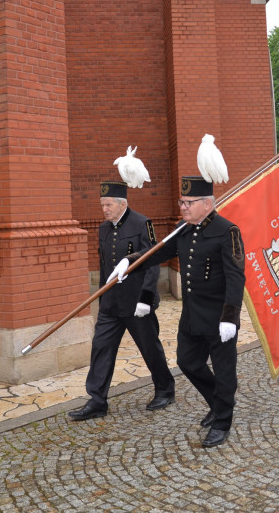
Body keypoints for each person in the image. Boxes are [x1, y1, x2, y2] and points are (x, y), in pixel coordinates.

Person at [112, 176, 245, 448]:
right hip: (192, 315)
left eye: (188, 202)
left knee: (224, 370)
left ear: (207, 204)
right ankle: (218, 402)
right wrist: (129, 261)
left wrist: (231, 315)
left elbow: (236, 276)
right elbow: (158, 253)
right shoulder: (183, 229)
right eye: (181, 202)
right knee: (188, 362)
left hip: (219, 318)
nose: (183, 207)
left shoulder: (226, 230)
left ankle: (222, 421)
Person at [68, 181, 176, 422]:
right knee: (101, 348)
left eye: (108, 204)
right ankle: (97, 400)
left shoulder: (142, 224)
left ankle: (165, 389)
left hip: (137, 303)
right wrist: (102, 297)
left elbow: (153, 260)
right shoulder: (103, 229)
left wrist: (146, 298)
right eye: (102, 205)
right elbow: (105, 266)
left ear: (122, 204)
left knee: (150, 348)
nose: (104, 209)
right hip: (111, 304)